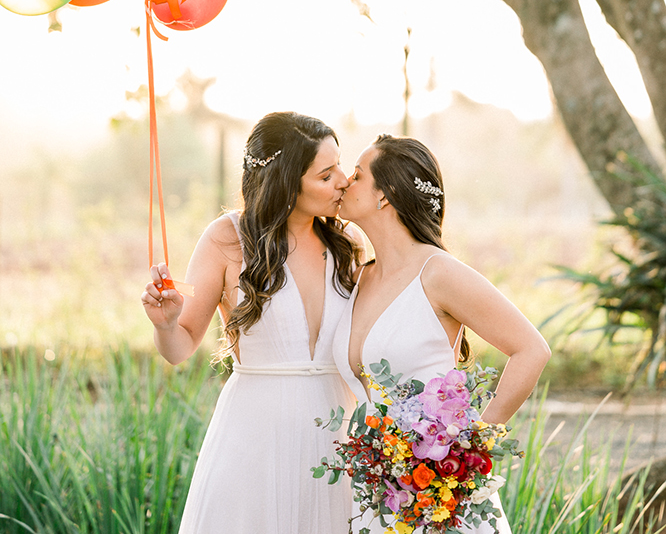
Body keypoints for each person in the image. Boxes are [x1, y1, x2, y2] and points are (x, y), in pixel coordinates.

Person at [141, 111, 363, 534]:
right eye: (326, 174)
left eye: (340, 167)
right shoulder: (226, 238)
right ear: (285, 181)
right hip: (257, 433)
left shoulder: (347, 242)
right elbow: (180, 347)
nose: (343, 182)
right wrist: (166, 325)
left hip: (339, 431)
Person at [332, 134, 551, 534]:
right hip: (378, 493)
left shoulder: (438, 273)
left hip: (440, 492)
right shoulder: (357, 277)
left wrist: (469, 445)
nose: (345, 181)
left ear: (387, 194)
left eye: (358, 175)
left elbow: (531, 349)